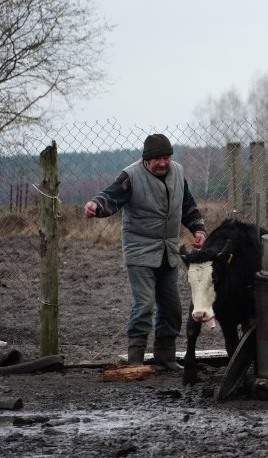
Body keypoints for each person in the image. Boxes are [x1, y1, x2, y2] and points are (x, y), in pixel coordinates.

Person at [84, 133, 206, 372]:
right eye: (157, 159)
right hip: (140, 250)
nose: (163, 163)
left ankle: (165, 358)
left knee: (172, 307)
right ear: (146, 160)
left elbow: (187, 204)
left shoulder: (178, 173)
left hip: (168, 249)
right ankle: (136, 360)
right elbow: (111, 196)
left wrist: (198, 229)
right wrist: (96, 206)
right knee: (145, 304)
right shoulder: (131, 176)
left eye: (166, 157)